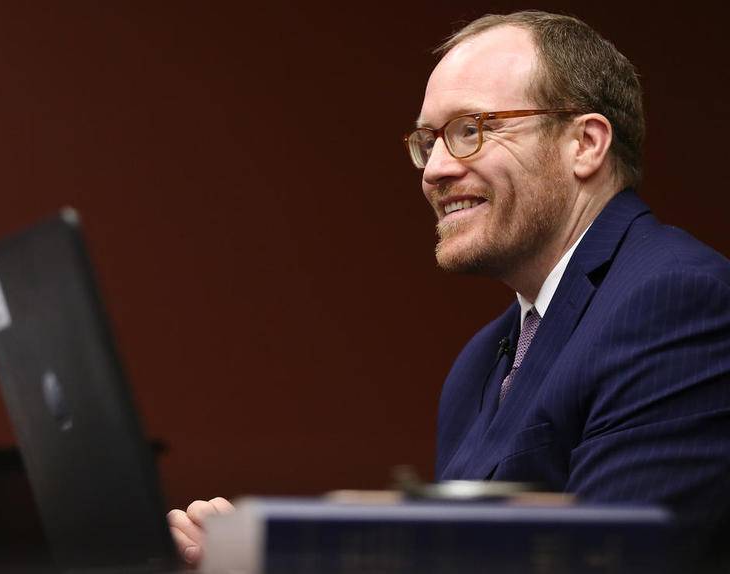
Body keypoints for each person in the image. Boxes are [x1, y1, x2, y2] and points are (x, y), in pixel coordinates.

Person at [169, 10, 730, 569]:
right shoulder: (479, 362)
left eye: (471, 130)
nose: (434, 169)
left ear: (584, 143)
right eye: (428, 140)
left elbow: (610, 563)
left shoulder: (680, 303)